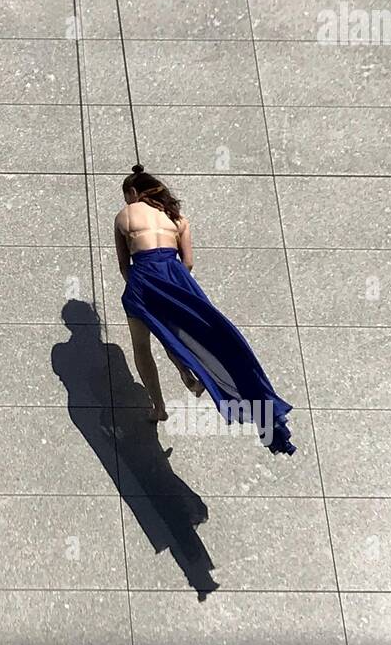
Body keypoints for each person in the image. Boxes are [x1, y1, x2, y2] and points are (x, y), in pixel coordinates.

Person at [115, 164, 295, 456]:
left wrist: (142, 287)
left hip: (143, 280)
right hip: (176, 278)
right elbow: (188, 263)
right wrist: (172, 286)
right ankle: (188, 375)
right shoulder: (178, 218)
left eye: (127, 196)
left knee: (142, 347)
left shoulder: (125, 215)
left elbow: (124, 266)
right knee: (183, 334)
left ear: (133, 192)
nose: (128, 202)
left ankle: (158, 407)